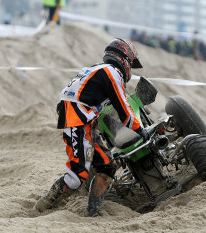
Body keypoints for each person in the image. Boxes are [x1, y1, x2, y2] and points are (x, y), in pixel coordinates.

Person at [35, 38, 148, 217]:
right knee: (76, 177)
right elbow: (123, 107)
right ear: (124, 60)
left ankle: (92, 212)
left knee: (108, 167)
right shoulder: (112, 73)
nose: (130, 70)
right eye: (131, 65)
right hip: (78, 119)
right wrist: (140, 129)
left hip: (83, 120)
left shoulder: (98, 69)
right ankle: (40, 208)